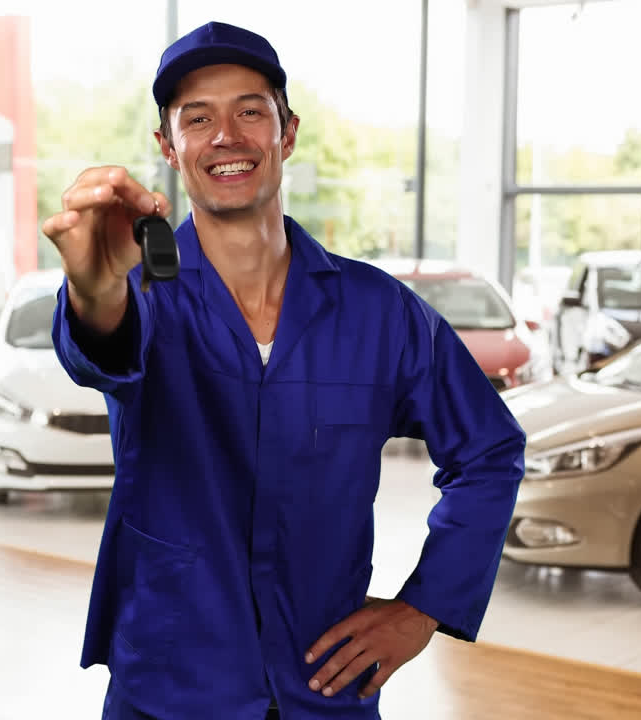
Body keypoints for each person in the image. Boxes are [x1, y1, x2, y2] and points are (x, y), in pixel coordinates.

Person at [44, 21, 526, 720]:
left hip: (325, 686)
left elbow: (490, 450)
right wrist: (91, 290)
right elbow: (104, 344)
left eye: (250, 111)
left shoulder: (381, 312)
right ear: (168, 150)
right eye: (197, 118)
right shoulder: (139, 295)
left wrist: (425, 607)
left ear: (287, 133)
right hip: (169, 687)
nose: (226, 136)